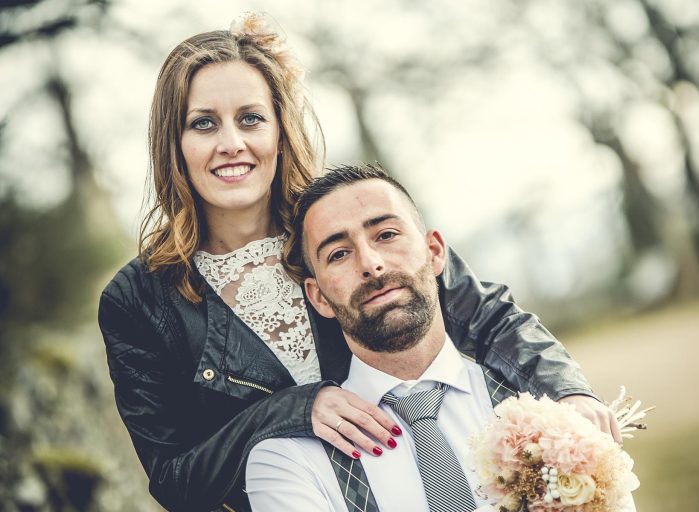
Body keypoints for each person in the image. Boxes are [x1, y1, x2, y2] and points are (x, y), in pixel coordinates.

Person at [97, 13, 613, 512]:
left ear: (279, 127)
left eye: (251, 118)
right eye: (204, 123)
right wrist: (294, 409)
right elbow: (172, 479)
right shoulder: (137, 300)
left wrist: (567, 392)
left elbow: (487, 316)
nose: (232, 144)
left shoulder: (346, 220)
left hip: (429, 481)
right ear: (174, 141)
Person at [246, 164, 635, 512]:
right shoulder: (288, 461)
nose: (371, 263)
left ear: (434, 253)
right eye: (339, 254)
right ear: (318, 297)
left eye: (386, 234)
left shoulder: (559, 422)